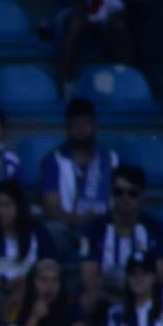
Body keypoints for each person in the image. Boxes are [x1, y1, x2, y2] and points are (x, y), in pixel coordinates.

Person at [78, 165, 163, 319]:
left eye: (132, 193)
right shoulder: (93, 230)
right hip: (107, 296)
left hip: (145, 297)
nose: (125, 198)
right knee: (86, 300)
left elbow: (161, 275)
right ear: (111, 193)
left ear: (141, 196)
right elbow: (89, 279)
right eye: (118, 192)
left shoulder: (155, 229)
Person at [0, 181, 57, 326]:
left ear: (19, 206)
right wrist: (6, 283)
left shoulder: (37, 230)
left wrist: (28, 283)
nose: (0, 211)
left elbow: (50, 265)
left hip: (35, 288)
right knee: (10, 299)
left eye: (7, 205)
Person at [40, 98, 119, 239]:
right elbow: (51, 208)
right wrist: (77, 220)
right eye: (75, 125)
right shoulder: (54, 160)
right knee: (53, 231)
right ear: (67, 129)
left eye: (86, 124)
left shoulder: (111, 159)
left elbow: (120, 198)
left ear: (95, 127)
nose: (81, 130)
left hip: (106, 229)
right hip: (69, 230)